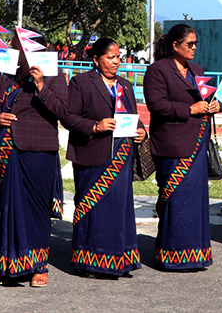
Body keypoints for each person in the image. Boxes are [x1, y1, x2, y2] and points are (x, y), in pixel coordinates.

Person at [0, 32, 69, 287]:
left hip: (38, 151)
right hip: (7, 151)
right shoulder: (5, 76)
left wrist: (42, 85)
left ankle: (38, 266)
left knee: (36, 210)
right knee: (10, 209)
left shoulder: (54, 76)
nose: (11, 50)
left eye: (16, 46)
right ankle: (11, 264)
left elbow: (63, 112)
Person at [63, 38, 144, 278]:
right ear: (96, 59)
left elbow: (133, 117)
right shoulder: (81, 83)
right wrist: (95, 126)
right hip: (93, 155)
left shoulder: (126, 85)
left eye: (118, 56)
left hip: (122, 157)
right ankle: (89, 262)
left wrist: (141, 132)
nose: (116, 61)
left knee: (118, 209)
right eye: (110, 57)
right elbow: (68, 116)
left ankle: (119, 260)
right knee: (94, 210)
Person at [144, 24, 219, 271]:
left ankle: (196, 255)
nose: (194, 48)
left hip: (197, 146)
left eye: (196, 44)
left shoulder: (196, 70)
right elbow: (156, 105)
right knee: (176, 202)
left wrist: (212, 105)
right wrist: (189, 109)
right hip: (172, 147)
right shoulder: (158, 70)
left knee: (195, 201)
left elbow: (205, 99)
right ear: (175, 45)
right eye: (190, 44)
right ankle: (171, 256)